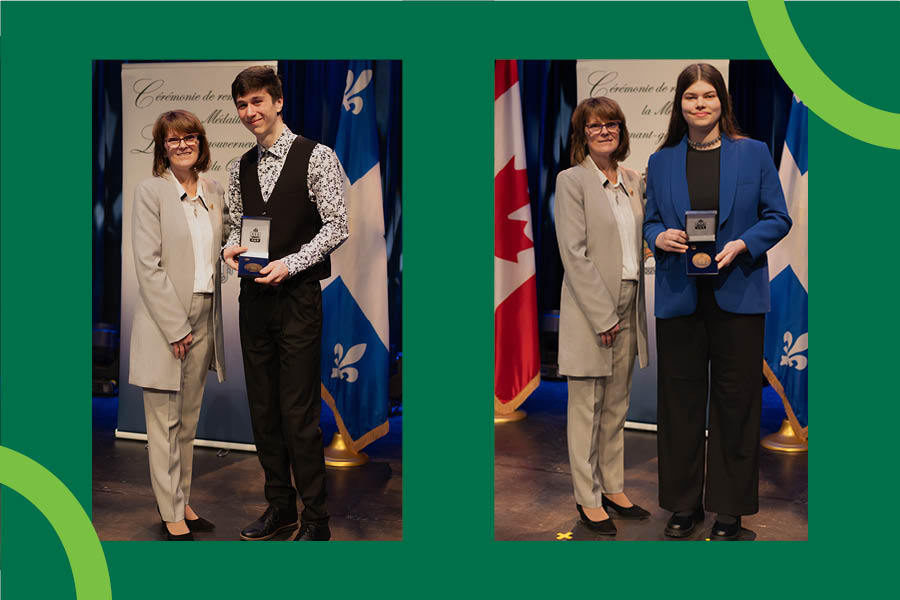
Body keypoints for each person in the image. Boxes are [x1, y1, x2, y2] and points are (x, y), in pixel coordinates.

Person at [643, 63, 791, 540]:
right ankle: (683, 508)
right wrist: (657, 236)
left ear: (721, 101)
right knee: (680, 405)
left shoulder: (754, 153)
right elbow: (649, 221)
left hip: (739, 295)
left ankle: (730, 513)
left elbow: (778, 217)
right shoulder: (661, 160)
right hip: (678, 297)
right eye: (691, 97)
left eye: (708, 95)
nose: (700, 103)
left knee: (736, 404)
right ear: (680, 105)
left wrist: (744, 243)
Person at [222, 66, 348, 542]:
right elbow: (237, 227)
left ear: (278, 102)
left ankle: (316, 519)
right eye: (241, 105)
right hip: (253, 299)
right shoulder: (239, 167)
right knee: (264, 411)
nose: (249, 112)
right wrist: (229, 249)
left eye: (257, 102)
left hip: (297, 298)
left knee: (298, 413)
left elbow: (337, 225)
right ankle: (281, 508)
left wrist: (291, 264)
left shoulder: (318, 157)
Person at [554, 97, 650, 536]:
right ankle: (587, 497)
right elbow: (574, 256)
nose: (605, 131)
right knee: (587, 409)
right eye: (595, 126)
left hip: (631, 300)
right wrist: (603, 316)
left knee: (617, 406)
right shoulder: (571, 181)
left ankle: (613, 487)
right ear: (582, 134)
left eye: (612, 123)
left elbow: (637, 238)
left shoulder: (632, 179)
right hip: (593, 310)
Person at [129, 110, 227, 541]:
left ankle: (181, 501)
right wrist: (176, 328)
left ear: (201, 143)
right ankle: (169, 510)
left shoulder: (214, 190)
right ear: (162, 147)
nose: (182, 144)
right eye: (173, 140)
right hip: (167, 320)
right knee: (164, 422)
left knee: (187, 423)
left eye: (189, 137)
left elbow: (216, 252)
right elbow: (148, 267)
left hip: (206, 313)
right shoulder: (150, 192)